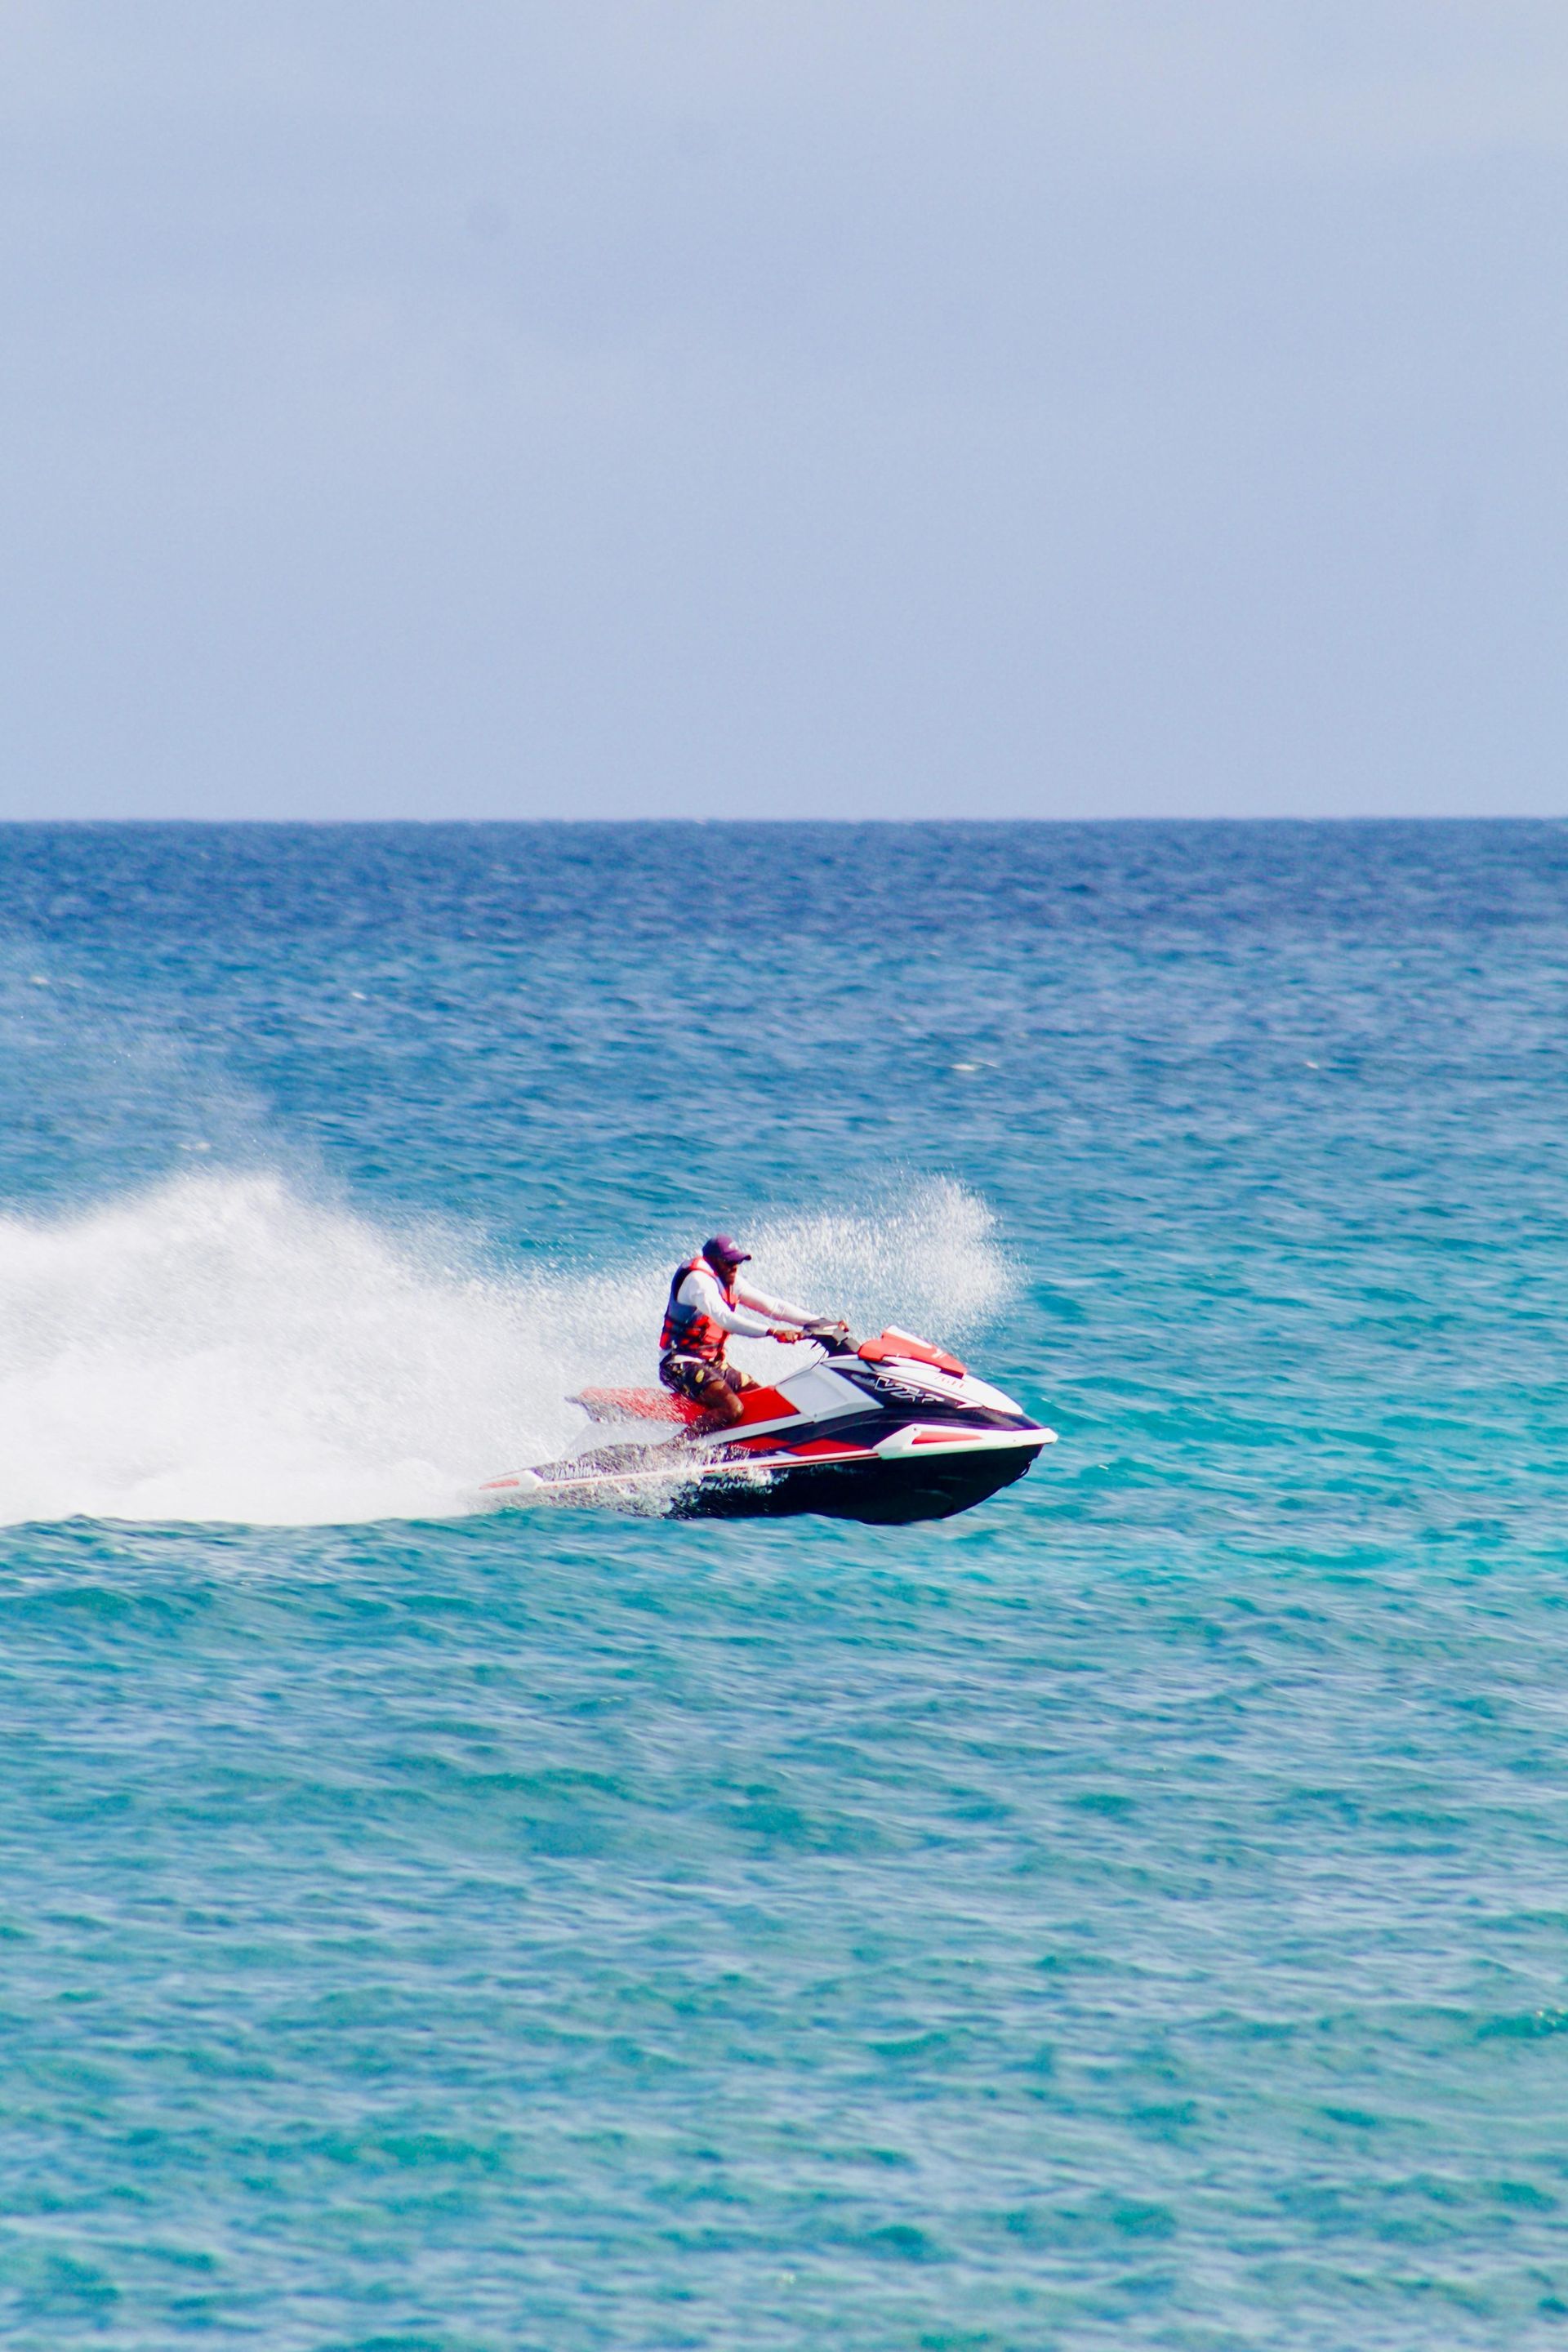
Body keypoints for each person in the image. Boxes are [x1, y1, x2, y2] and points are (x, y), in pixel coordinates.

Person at [659, 1234, 841, 1428]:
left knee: (762, 1401)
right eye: (729, 1262)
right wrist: (773, 1332)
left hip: (712, 1365)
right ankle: (677, 1450)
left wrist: (820, 1322)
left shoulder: (730, 1280)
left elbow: (774, 1307)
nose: (735, 1267)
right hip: (679, 1366)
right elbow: (725, 1319)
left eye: (737, 1261)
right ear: (712, 1261)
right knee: (732, 1408)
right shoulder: (698, 1281)